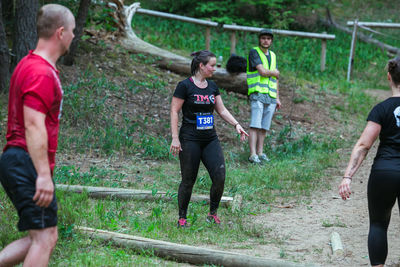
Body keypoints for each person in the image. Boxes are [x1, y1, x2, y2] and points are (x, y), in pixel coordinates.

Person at [0, 4, 75, 266]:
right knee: (45, 238)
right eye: (73, 31)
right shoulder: (40, 72)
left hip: (18, 159)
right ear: (61, 32)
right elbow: (33, 125)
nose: (74, 37)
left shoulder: (29, 64)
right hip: (25, 160)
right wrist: (43, 175)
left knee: (42, 236)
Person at [170, 50, 248, 227]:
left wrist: (236, 124)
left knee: (220, 176)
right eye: (212, 65)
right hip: (189, 139)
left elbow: (221, 110)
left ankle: (212, 214)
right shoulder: (185, 86)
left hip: (210, 139)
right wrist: (175, 138)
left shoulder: (212, 87)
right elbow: (174, 111)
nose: (214, 68)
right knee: (188, 180)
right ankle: (182, 218)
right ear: (201, 66)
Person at [339, 57, 400, 267]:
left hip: (384, 172)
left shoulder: (381, 109)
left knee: (378, 224)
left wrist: (348, 176)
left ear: (389, 77)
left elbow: (364, 145)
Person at [246, 29, 281, 164]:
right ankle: (252, 154)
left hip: (271, 95)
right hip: (257, 92)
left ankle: (260, 152)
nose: (266, 41)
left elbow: (275, 79)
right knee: (255, 124)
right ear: (259, 39)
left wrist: (277, 97)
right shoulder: (254, 52)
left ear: (271, 41)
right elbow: (262, 71)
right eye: (263, 38)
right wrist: (273, 72)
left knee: (264, 126)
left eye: (268, 38)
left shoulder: (273, 55)